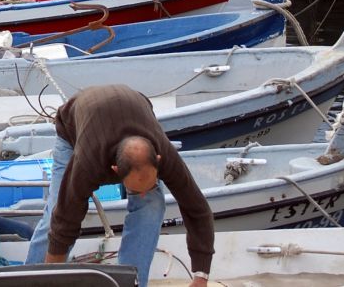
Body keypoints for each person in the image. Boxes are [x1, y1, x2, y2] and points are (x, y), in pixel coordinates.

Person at [25, 85, 213, 287]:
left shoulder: (165, 155)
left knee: (152, 205)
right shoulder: (88, 162)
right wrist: (50, 279)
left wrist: (201, 276)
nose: (141, 195)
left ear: (157, 160)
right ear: (114, 170)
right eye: (135, 190)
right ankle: (31, 281)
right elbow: (65, 219)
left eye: (147, 185)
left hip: (134, 106)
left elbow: (198, 209)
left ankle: (130, 283)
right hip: (73, 130)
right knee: (55, 211)